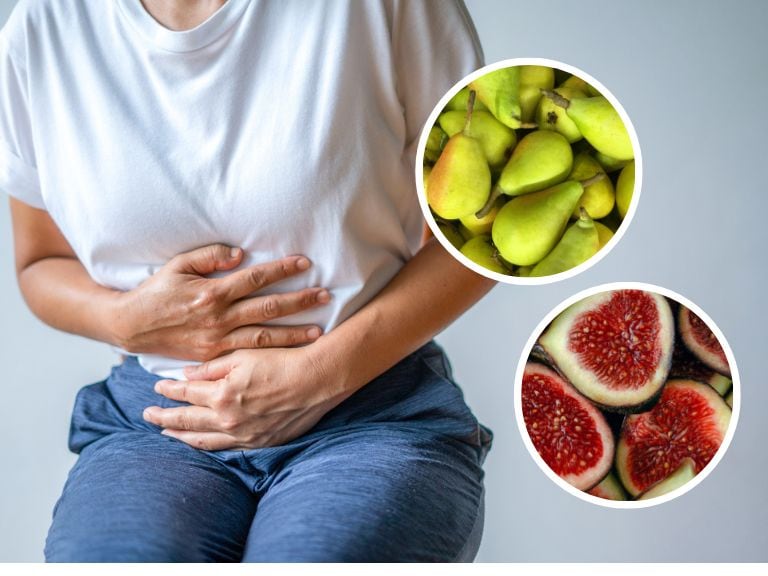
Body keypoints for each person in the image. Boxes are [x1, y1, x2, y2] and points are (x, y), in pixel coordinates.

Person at [1, 0, 494, 562]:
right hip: (158, 421)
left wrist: (321, 374)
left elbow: (484, 237)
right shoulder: (41, 29)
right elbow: (41, 262)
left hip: (368, 412)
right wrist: (120, 321)